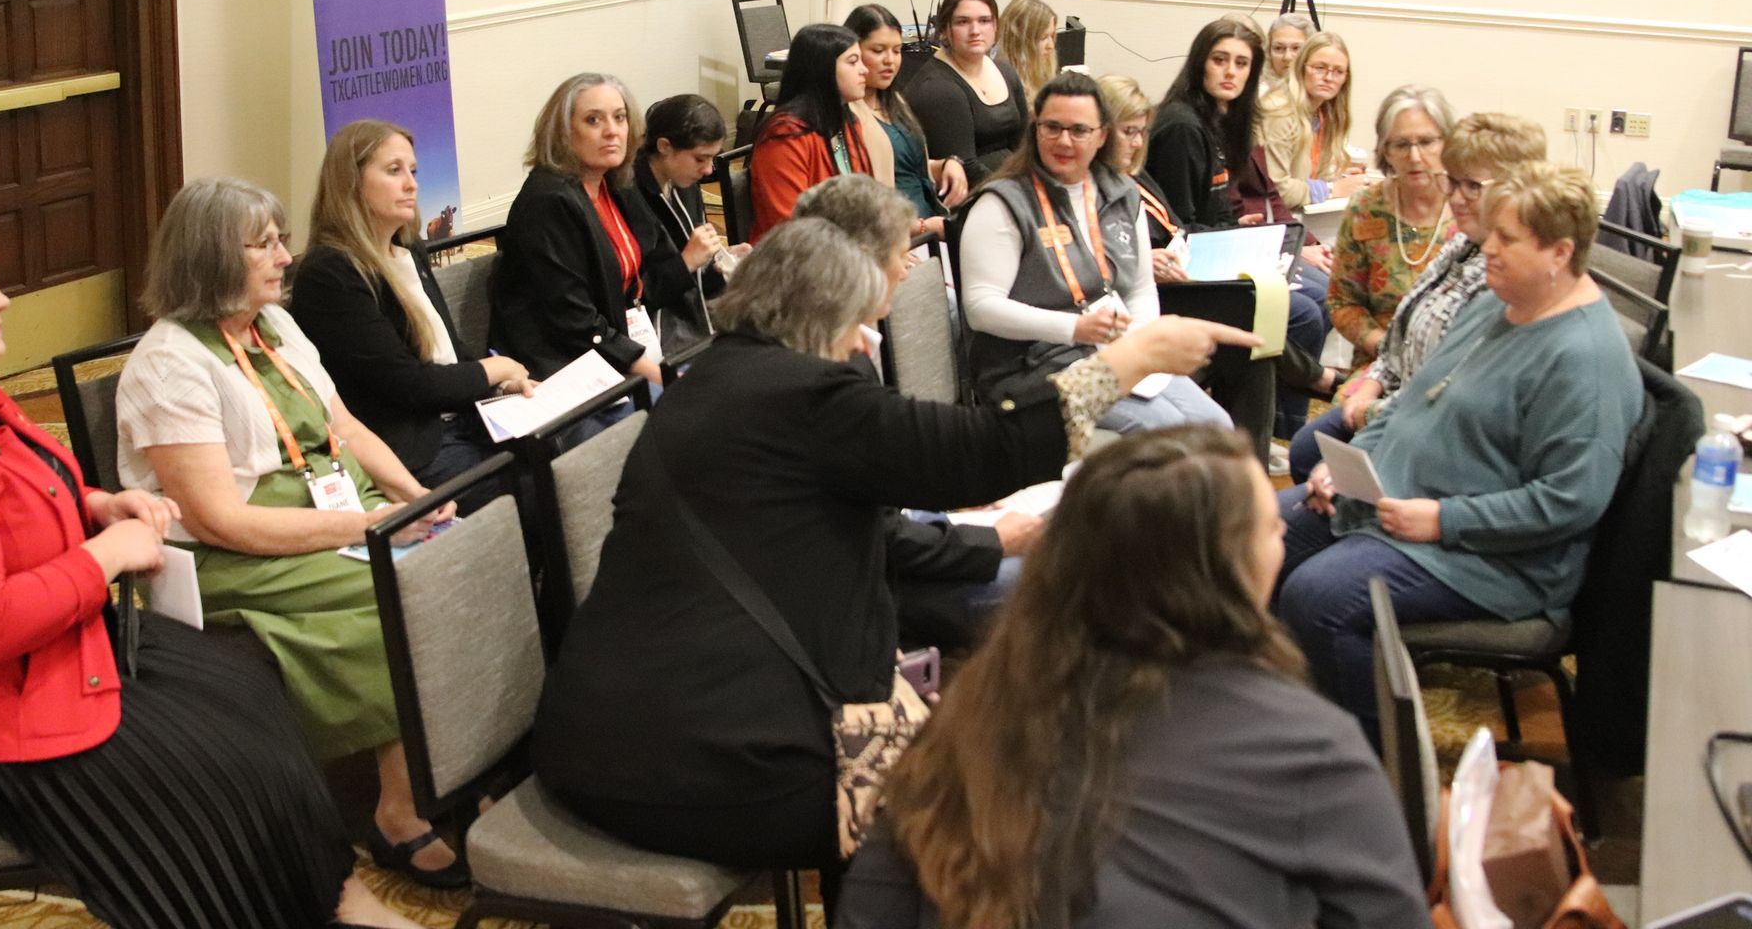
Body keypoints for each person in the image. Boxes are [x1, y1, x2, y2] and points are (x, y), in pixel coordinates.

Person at [531, 219, 1258, 908]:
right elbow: (983, 451)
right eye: (859, 320)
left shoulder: (722, 380)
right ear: (818, 314)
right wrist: (1131, 359)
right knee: (989, 813)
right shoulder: (804, 397)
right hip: (697, 762)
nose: (866, 339)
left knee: (989, 759)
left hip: (621, 728)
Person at [0, 195, 424, 929]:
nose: (4, 300)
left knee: (244, 697)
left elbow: (22, 479)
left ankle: (327, 900)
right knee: (219, 773)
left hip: (48, 660)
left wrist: (95, 505)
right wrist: (105, 555)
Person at [836, 426, 1432, 929]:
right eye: (1269, 528)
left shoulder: (972, 709)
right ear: (1228, 568)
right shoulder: (1310, 748)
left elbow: (873, 899)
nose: (1284, 530)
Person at [115, 177, 465, 889]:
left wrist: (415, 497)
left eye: (281, 238)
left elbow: (344, 428)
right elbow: (220, 519)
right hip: (229, 555)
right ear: (212, 258)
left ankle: (458, 768)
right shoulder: (166, 365)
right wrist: (367, 526)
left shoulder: (275, 324)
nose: (285, 256)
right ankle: (396, 809)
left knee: (463, 554)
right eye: (264, 244)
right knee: (394, 591)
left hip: (329, 506)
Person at [1279, 163, 1642, 739]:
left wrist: (1445, 520)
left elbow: (1570, 502)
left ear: (1559, 253)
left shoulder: (1584, 360)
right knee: (1252, 538)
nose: (1486, 248)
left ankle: (1379, 777)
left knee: (1318, 598)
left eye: (1507, 238)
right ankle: (1293, 723)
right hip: (1397, 501)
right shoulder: (1498, 301)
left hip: (1493, 556)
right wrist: (1343, 468)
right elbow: (1410, 399)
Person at [791, 174, 1032, 650]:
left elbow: (885, 475)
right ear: (856, 261)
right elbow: (877, 540)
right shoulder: (813, 366)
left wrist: (949, 497)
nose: (908, 269)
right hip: (854, 592)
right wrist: (993, 542)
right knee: (1057, 578)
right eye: (901, 255)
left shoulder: (841, 337)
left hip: (887, 547)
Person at [961, 71, 1231, 434]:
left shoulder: (1120, 193)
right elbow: (981, 308)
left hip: (1109, 349)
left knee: (1216, 425)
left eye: (1079, 130)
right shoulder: (1002, 204)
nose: (1064, 141)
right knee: (1166, 432)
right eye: (1052, 127)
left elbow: (1138, 287)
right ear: (1035, 130)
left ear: (1101, 135)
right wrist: (1075, 328)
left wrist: (1140, 341)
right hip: (1033, 365)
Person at [1289, 112, 1548, 479]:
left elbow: (1447, 398)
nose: (1456, 198)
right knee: (1306, 448)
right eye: (1452, 182)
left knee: (1310, 469)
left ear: (1515, 189)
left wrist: (1371, 412)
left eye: (1471, 186)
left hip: (1433, 435)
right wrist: (1371, 386)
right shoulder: (1462, 244)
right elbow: (1398, 330)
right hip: (1396, 392)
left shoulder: (1503, 274)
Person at [290, 120, 533, 490]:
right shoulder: (329, 273)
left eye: (413, 170)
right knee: (532, 490)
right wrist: (494, 369)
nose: (411, 183)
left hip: (465, 418)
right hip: (413, 447)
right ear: (351, 182)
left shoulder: (410, 251)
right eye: (394, 170)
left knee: (569, 451)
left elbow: (450, 351)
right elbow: (408, 385)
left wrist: (501, 386)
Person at [1102, 74, 1334, 457]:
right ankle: (1317, 379)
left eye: (1141, 132)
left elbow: (1177, 226)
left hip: (1184, 266)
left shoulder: (1133, 175)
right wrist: (1147, 260)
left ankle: (1250, 466)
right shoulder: (1101, 184)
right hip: (1158, 293)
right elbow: (1109, 260)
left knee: (1254, 337)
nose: (1138, 142)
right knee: (1252, 309)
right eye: (1128, 132)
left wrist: (1226, 231)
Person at [492, 73, 718, 386]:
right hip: (560, 366)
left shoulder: (617, 184)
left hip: (622, 345)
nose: (612, 131)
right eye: (594, 120)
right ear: (563, 132)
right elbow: (574, 322)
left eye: (620, 117)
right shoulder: (547, 201)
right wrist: (659, 376)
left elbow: (653, 272)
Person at [1329, 85, 1459, 363]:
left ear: (1447, 143)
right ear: (1385, 151)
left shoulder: (1472, 210)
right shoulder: (1365, 209)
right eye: (1401, 144)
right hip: (1381, 359)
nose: (1414, 157)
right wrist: (1388, 349)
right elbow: (1343, 302)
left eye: (1426, 142)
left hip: (1455, 363)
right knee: (1350, 409)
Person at [631, 93, 749, 349]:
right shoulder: (629, 195)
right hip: (656, 332)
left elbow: (698, 275)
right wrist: (687, 262)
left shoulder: (684, 181)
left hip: (693, 312)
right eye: (700, 158)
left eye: (712, 157)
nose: (708, 170)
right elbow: (634, 299)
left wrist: (722, 262)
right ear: (664, 147)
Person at [845, 3, 967, 235]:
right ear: (853, 53)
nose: (890, 61)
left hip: (928, 218)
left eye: (896, 50)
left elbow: (904, 165)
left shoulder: (895, 102)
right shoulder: (847, 114)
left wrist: (945, 165)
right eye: (878, 50)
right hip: (895, 234)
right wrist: (921, 227)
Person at [749, 22, 875, 238]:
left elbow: (866, 204)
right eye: (853, 62)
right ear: (822, 70)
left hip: (847, 251)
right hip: (797, 260)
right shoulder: (785, 136)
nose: (865, 70)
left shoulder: (848, 122)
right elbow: (789, 224)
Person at [905, 0, 1028, 186]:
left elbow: (1024, 145)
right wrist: (1015, 196)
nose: (975, 31)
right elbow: (965, 168)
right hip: (972, 197)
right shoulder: (937, 89)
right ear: (945, 30)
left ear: (996, 27)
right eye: (963, 22)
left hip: (1011, 187)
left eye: (984, 21)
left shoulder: (1005, 71)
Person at [1146, 17, 1263, 228]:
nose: (1230, 72)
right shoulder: (1182, 127)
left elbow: (1214, 210)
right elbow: (1178, 227)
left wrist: (1234, 228)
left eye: (1241, 63)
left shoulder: (1220, 120)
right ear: (1200, 64)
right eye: (1219, 60)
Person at [1259, 30, 1364, 210]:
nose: (1329, 78)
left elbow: (1307, 177)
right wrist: (1332, 189)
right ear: (1301, 68)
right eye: (1320, 68)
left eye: (1338, 72)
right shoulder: (1279, 111)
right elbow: (1275, 188)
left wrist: (1338, 178)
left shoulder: (1322, 114)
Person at [998, 0, 1059, 96]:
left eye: (1052, 36)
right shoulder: (1000, 82)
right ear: (1020, 41)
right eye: (1043, 37)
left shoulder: (1041, 76)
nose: (1051, 46)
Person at [1262, 10, 1316, 98]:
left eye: (1296, 48)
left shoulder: (1322, 91)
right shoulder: (1259, 95)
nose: (1287, 57)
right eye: (1278, 48)